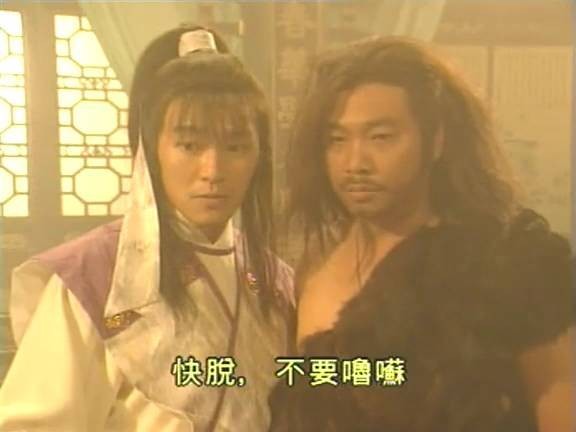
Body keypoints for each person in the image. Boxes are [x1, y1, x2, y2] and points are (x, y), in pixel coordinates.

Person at [269, 37, 574, 432]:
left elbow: (560, 407)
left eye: (381, 137)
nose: (355, 163)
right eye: (337, 140)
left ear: (436, 141)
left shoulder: (506, 262)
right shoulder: (316, 264)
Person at [0, 25, 293, 431]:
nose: (213, 170)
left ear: (259, 157)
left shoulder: (275, 281)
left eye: (236, 147)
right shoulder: (94, 276)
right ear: (151, 151)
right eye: (190, 145)